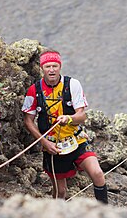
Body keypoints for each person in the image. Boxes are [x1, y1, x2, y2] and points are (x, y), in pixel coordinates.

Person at [22, 50, 108, 204]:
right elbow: (28, 120)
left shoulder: (72, 84)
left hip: (77, 140)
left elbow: (82, 116)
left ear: (60, 66)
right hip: (53, 146)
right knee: (60, 191)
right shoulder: (34, 90)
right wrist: (44, 143)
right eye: (48, 66)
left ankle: (105, 212)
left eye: (55, 65)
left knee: (97, 173)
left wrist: (69, 118)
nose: (52, 70)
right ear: (42, 68)